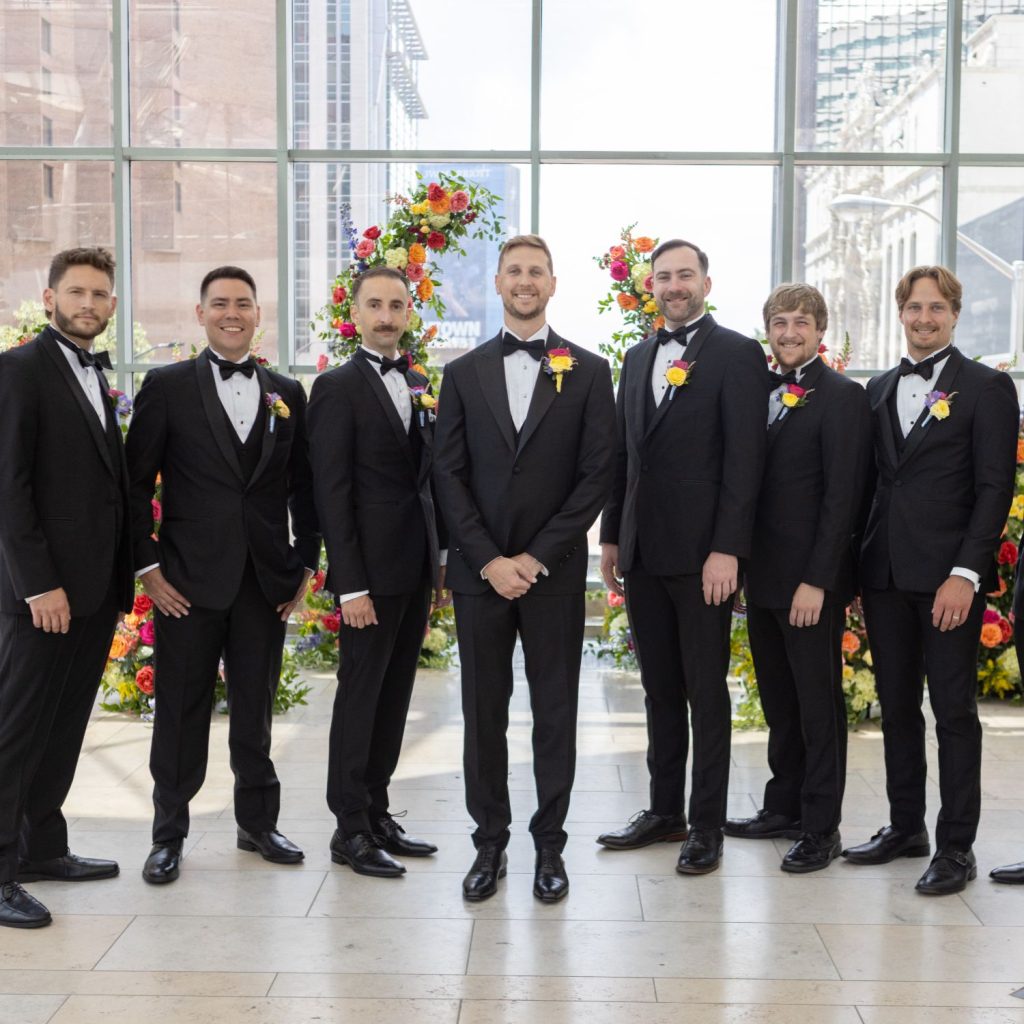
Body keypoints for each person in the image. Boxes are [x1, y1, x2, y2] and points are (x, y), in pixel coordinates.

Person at [433, 234, 615, 903]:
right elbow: (447, 475)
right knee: (483, 715)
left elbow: (596, 476)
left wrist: (535, 558)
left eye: (536, 270)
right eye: (514, 270)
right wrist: (488, 560)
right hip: (479, 577)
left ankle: (549, 846)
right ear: (498, 283)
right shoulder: (462, 372)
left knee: (555, 714)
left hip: (553, 574)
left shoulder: (590, 371)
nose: (525, 280)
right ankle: (489, 844)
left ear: (553, 283)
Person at [126, 266, 320, 885]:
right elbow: (134, 484)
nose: (231, 313)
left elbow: (305, 487)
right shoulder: (166, 386)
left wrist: (305, 563)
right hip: (185, 583)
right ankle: (168, 834)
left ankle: (258, 823)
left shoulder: (286, 391)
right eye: (220, 304)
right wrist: (148, 567)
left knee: (256, 709)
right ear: (200, 313)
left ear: (258, 314)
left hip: (264, 581)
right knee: (180, 711)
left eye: (243, 303)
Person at [844, 265, 1018, 895]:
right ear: (901, 313)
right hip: (884, 574)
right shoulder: (877, 387)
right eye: (915, 307)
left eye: (937, 307)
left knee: (953, 712)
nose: (925, 318)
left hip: (949, 580)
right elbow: (869, 485)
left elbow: (994, 488)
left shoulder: (987, 387)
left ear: (955, 314)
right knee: (895, 709)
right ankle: (905, 827)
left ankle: (956, 846)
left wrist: (965, 573)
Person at [597, 238, 768, 874]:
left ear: (705, 283)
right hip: (643, 551)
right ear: (652, 285)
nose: (675, 285)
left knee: (705, 692)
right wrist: (612, 535)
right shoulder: (637, 356)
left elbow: (746, 461)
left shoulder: (737, 354)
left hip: (704, 559)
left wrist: (728, 549)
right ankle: (664, 811)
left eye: (685, 275)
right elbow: (624, 456)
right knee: (658, 689)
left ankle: (707, 825)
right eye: (664, 276)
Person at [0, 247, 133, 928]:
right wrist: (38, 585)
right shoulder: (18, 370)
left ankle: (42, 848)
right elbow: (9, 488)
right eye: (76, 292)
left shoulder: (92, 373)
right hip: (43, 596)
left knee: (63, 725)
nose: (89, 303)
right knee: (16, 731)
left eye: (99, 294)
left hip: (93, 590)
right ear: (50, 298)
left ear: (112, 305)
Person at [724, 284, 872, 872]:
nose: (789, 333)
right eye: (780, 322)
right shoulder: (758, 393)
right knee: (779, 702)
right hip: (762, 577)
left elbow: (844, 497)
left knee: (817, 707)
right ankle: (782, 806)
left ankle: (820, 826)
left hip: (809, 583)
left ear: (820, 330)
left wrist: (818, 579)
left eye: (801, 323)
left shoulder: (842, 397)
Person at [308, 267, 446, 878]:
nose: (386, 316)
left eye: (396, 305)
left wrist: (439, 563)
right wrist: (352, 585)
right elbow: (331, 494)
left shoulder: (419, 382)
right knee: (360, 697)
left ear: (408, 313)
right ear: (356, 314)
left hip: (414, 569)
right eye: (375, 305)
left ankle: (379, 811)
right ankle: (349, 828)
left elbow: (428, 482)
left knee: (395, 697)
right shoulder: (335, 387)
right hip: (368, 575)